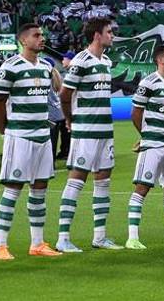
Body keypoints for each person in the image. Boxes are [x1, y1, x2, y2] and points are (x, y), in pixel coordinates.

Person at [0, 23, 63, 260]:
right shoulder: (10, 66)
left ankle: (37, 243)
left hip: (42, 136)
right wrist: (5, 130)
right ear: (24, 41)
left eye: (43, 35)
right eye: (37, 35)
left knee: (40, 189)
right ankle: (0, 245)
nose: (42, 38)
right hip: (19, 136)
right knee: (13, 189)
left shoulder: (45, 67)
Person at [57, 18, 120, 252]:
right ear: (97, 35)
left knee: (104, 179)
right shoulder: (81, 61)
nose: (112, 35)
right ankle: (63, 237)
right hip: (85, 130)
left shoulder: (106, 60)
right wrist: (70, 119)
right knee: (77, 178)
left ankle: (100, 236)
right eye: (109, 32)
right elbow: (65, 94)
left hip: (105, 130)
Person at [125, 43, 164, 249]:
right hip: (153, 143)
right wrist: (145, 135)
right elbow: (135, 113)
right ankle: (132, 237)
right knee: (142, 187)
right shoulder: (148, 83)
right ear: (161, 60)